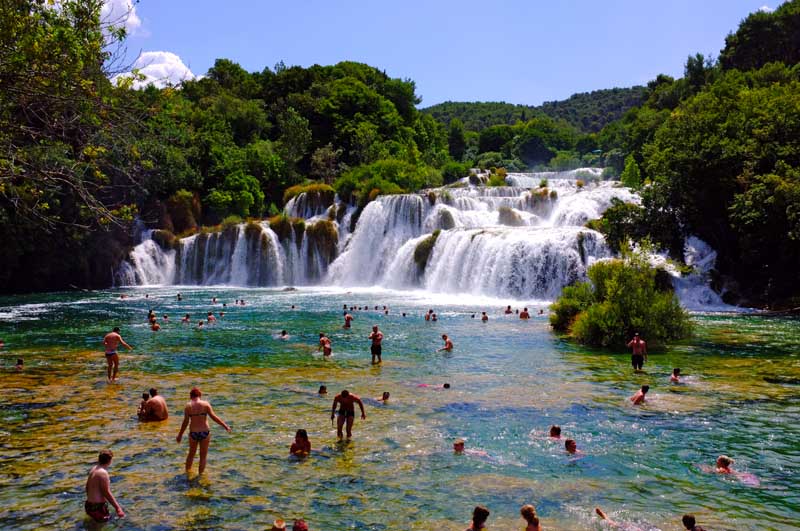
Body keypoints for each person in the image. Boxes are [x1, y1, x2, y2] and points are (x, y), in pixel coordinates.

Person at [176, 387, 231, 475]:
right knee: (203, 456)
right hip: (204, 432)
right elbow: (214, 417)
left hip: (193, 433)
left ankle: (187, 474)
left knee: (191, 454)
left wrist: (180, 435)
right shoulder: (205, 404)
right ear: (200, 395)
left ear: (191, 396)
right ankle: (200, 475)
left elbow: (185, 422)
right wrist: (225, 426)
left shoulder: (188, 406)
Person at [85, 450, 124, 522]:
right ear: (110, 461)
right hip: (98, 508)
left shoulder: (93, 469)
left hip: (89, 505)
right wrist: (118, 508)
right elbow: (106, 492)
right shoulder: (103, 473)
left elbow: (87, 487)